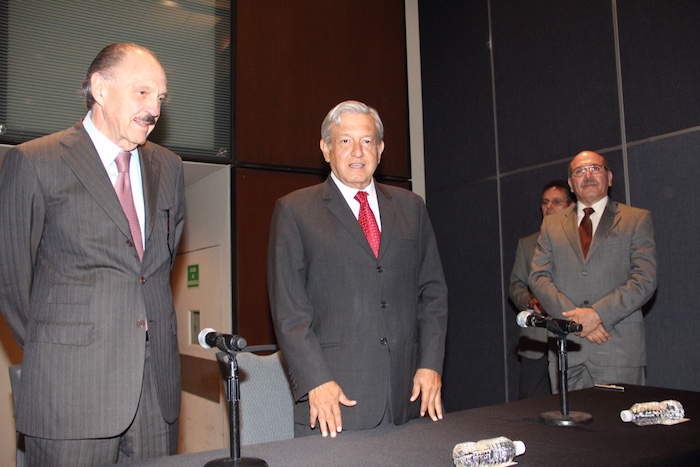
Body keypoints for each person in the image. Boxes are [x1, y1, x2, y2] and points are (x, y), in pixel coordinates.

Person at [0, 43, 185, 465]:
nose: (153, 108)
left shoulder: (169, 167)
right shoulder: (35, 161)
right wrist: (62, 350)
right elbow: (10, 280)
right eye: (142, 92)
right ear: (100, 89)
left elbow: (155, 269)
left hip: (155, 397)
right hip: (70, 395)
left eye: (160, 97)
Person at [267, 100, 448, 438]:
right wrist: (316, 381)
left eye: (366, 141)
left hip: (409, 400)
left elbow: (433, 293)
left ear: (380, 149)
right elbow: (290, 313)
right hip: (334, 403)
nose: (357, 152)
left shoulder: (412, 207)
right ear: (326, 148)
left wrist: (430, 363)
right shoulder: (294, 211)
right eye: (344, 141)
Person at [529, 150, 657, 392]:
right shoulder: (551, 225)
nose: (587, 175)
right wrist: (575, 321)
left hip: (617, 351)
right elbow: (538, 277)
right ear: (571, 184)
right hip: (568, 351)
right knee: (568, 430)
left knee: (621, 430)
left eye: (595, 168)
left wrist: (596, 315)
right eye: (579, 171)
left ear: (609, 178)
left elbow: (644, 279)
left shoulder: (636, 219)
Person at [509, 180, 573, 398]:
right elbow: (516, 285)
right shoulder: (527, 244)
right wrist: (530, 302)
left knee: (571, 399)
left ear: (570, 206)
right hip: (536, 337)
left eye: (556, 202)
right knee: (531, 403)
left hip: (570, 336)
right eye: (545, 202)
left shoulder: (579, 242)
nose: (549, 207)